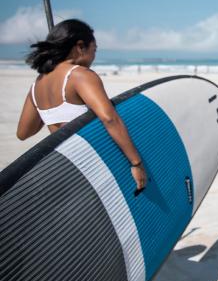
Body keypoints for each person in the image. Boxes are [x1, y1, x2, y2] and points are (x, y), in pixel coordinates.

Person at [16, 19, 147, 191]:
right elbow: (110, 119)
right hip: (95, 165)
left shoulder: (37, 85)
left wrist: (49, 114)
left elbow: (23, 133)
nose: (94, 55)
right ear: (80, 46)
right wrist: (136, 163)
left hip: (67, 166)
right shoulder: (80, 75)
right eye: (94, 49)